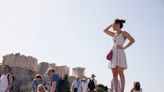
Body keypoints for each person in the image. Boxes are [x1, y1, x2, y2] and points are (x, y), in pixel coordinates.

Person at [104, 19, 135, 92]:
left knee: (120, 72)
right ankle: (115, 90)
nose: (113, 26)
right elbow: (105, 30)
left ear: (118, 24)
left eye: (114, 24)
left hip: (120, 53)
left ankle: (122, 90)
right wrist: (112, 24)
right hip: (114, 54)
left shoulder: (124, 33)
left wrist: (124, 47)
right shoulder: (114, 34)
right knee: (114, 74)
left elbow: (132, 40)